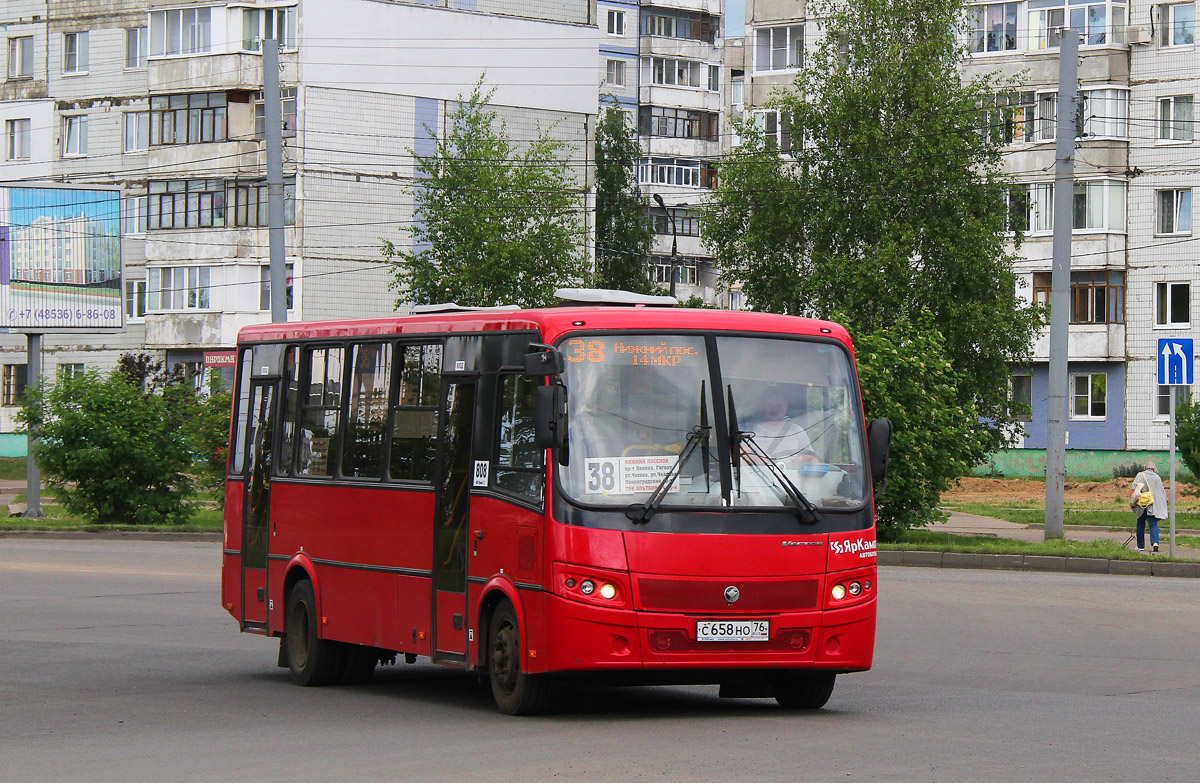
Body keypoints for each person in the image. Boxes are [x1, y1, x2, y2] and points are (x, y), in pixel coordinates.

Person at [742, 390, 817, 465]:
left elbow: (812, 459)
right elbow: (740, 458)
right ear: (763, 406)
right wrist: (754, 458)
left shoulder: (797, 431)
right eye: (769, 405)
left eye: (779, 406)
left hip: (790, 476)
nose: (774, 410)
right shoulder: (749, 431)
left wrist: (804, 459)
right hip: (756, 475)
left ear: (786, 406)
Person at [1129, 461, 1167, 553]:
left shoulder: (1140, 475)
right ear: (1154, 469)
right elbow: (1161, 492)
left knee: (1140, 524)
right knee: (1153, 524)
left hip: (1142, 504)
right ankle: (1155, 543)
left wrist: (1132, 501)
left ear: (1145, 468)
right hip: (1153, 504)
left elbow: (1133, 489)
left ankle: (1140, 546)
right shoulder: (1157, 477)